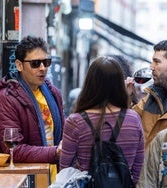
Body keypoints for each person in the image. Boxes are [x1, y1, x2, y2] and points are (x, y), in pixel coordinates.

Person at [59, 56, 145, 185]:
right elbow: (138, 170)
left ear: (89, 83)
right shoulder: (133, 119)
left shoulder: (76, 122)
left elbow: (65, 171)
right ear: (119, 85)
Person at [0, 36, 64, 183]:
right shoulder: (5, 99)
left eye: (46, 62)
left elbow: (63, 132)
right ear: (19, 65)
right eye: (35, 63)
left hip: (55, 177)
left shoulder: (53, 93)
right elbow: (14, 150)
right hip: (21, 180)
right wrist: (55, 152)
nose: (42, 68)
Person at [126, 39, 167, 148]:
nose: (151, 67)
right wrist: (127, 97)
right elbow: (126, 128)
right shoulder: (150, 98)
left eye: (157, 62)